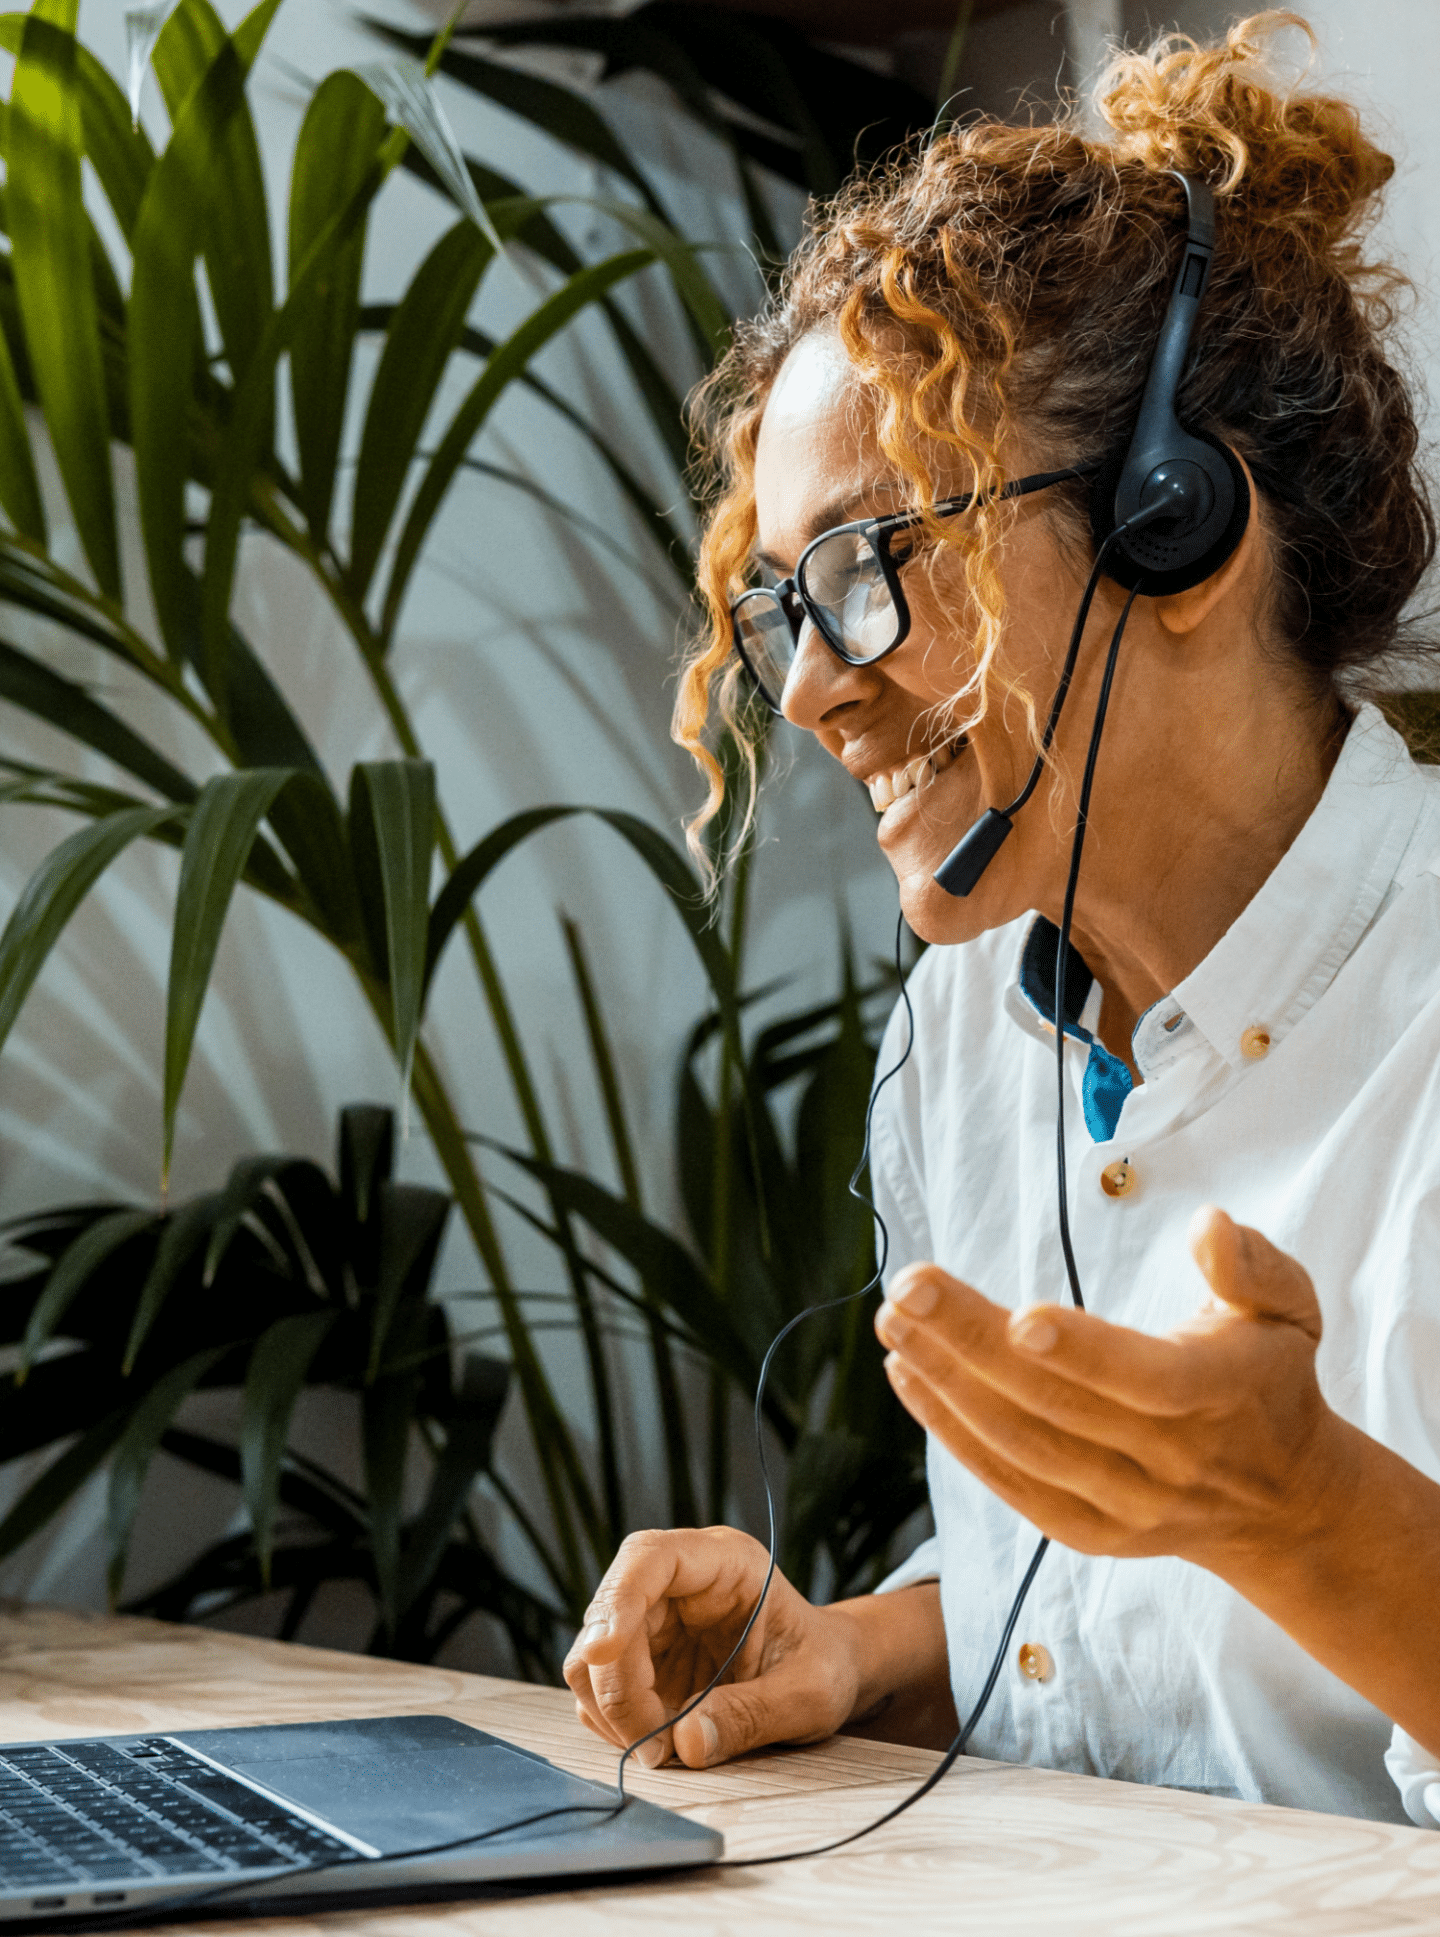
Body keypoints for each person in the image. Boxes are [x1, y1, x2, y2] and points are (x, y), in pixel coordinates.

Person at [564, 11, 1440, 1826]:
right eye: (781, 603)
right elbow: (1142, 1636)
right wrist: (863, 1651)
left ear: (1174, 527)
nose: (803, 692)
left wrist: (1310, 1512)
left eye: (871, 571)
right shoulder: (977, 1024)